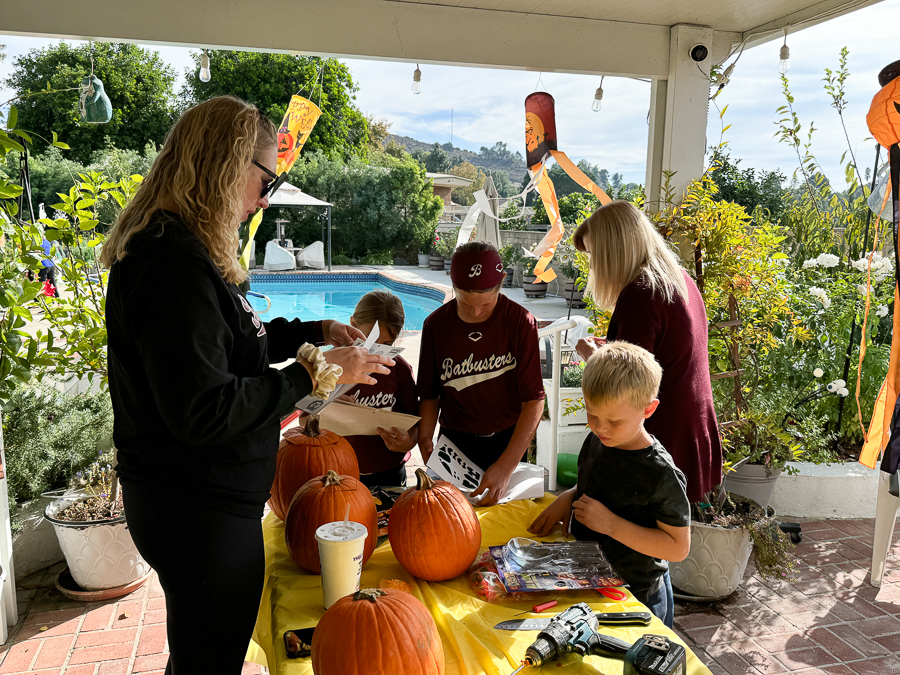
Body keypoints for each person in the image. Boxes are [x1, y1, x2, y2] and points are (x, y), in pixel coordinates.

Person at [100, 96, 394, 675]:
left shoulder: (180, 250)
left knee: (201, 655)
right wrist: (314, 373)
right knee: (208, 662)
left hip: (199, 503)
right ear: (225, 165)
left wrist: (313, 331)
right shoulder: (171, 264)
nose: (266, 195)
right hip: (196, 509)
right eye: (266, 177)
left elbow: (230, 344)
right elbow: (204, 409)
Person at [529, 341, 690, 627]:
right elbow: (598, 485)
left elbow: (678, 548)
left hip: (636, 595)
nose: (600, 427)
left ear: (648, 409)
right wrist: (570, 495)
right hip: (590, 581)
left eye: (614, 421)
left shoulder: (660, 473)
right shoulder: (600, 439)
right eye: (592, 414)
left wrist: (611, 525)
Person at [573, 200, 723, 503]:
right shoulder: (679, 278)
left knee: (646, 539)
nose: (592, 266)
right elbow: (663, 349)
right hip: (692, 424)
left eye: (594, 256)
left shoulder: (641, 293)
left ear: (614, 251)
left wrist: (592, 357)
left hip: (662, 434)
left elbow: (626, 382)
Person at [417, 241, 545, 506]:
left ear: (502, 284)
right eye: (465, 303)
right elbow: (429, 394)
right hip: (455, 441)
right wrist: (425, 437)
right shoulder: (436, 324)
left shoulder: (520, 322)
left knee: (505, 523)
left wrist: (506, 466)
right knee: (449, 521)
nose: (475, 312)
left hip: (508, 440)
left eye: (485, 305)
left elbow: (534, 400)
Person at [341, 290, 418, 488]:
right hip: (340, 470)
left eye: (387, 344)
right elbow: (304, 420)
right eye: (369, 342)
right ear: (353, 324)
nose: (375, 352)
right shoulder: (332, 366)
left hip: (390, 471)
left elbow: (415, 423)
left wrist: (408, 442)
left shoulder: (399, 369)